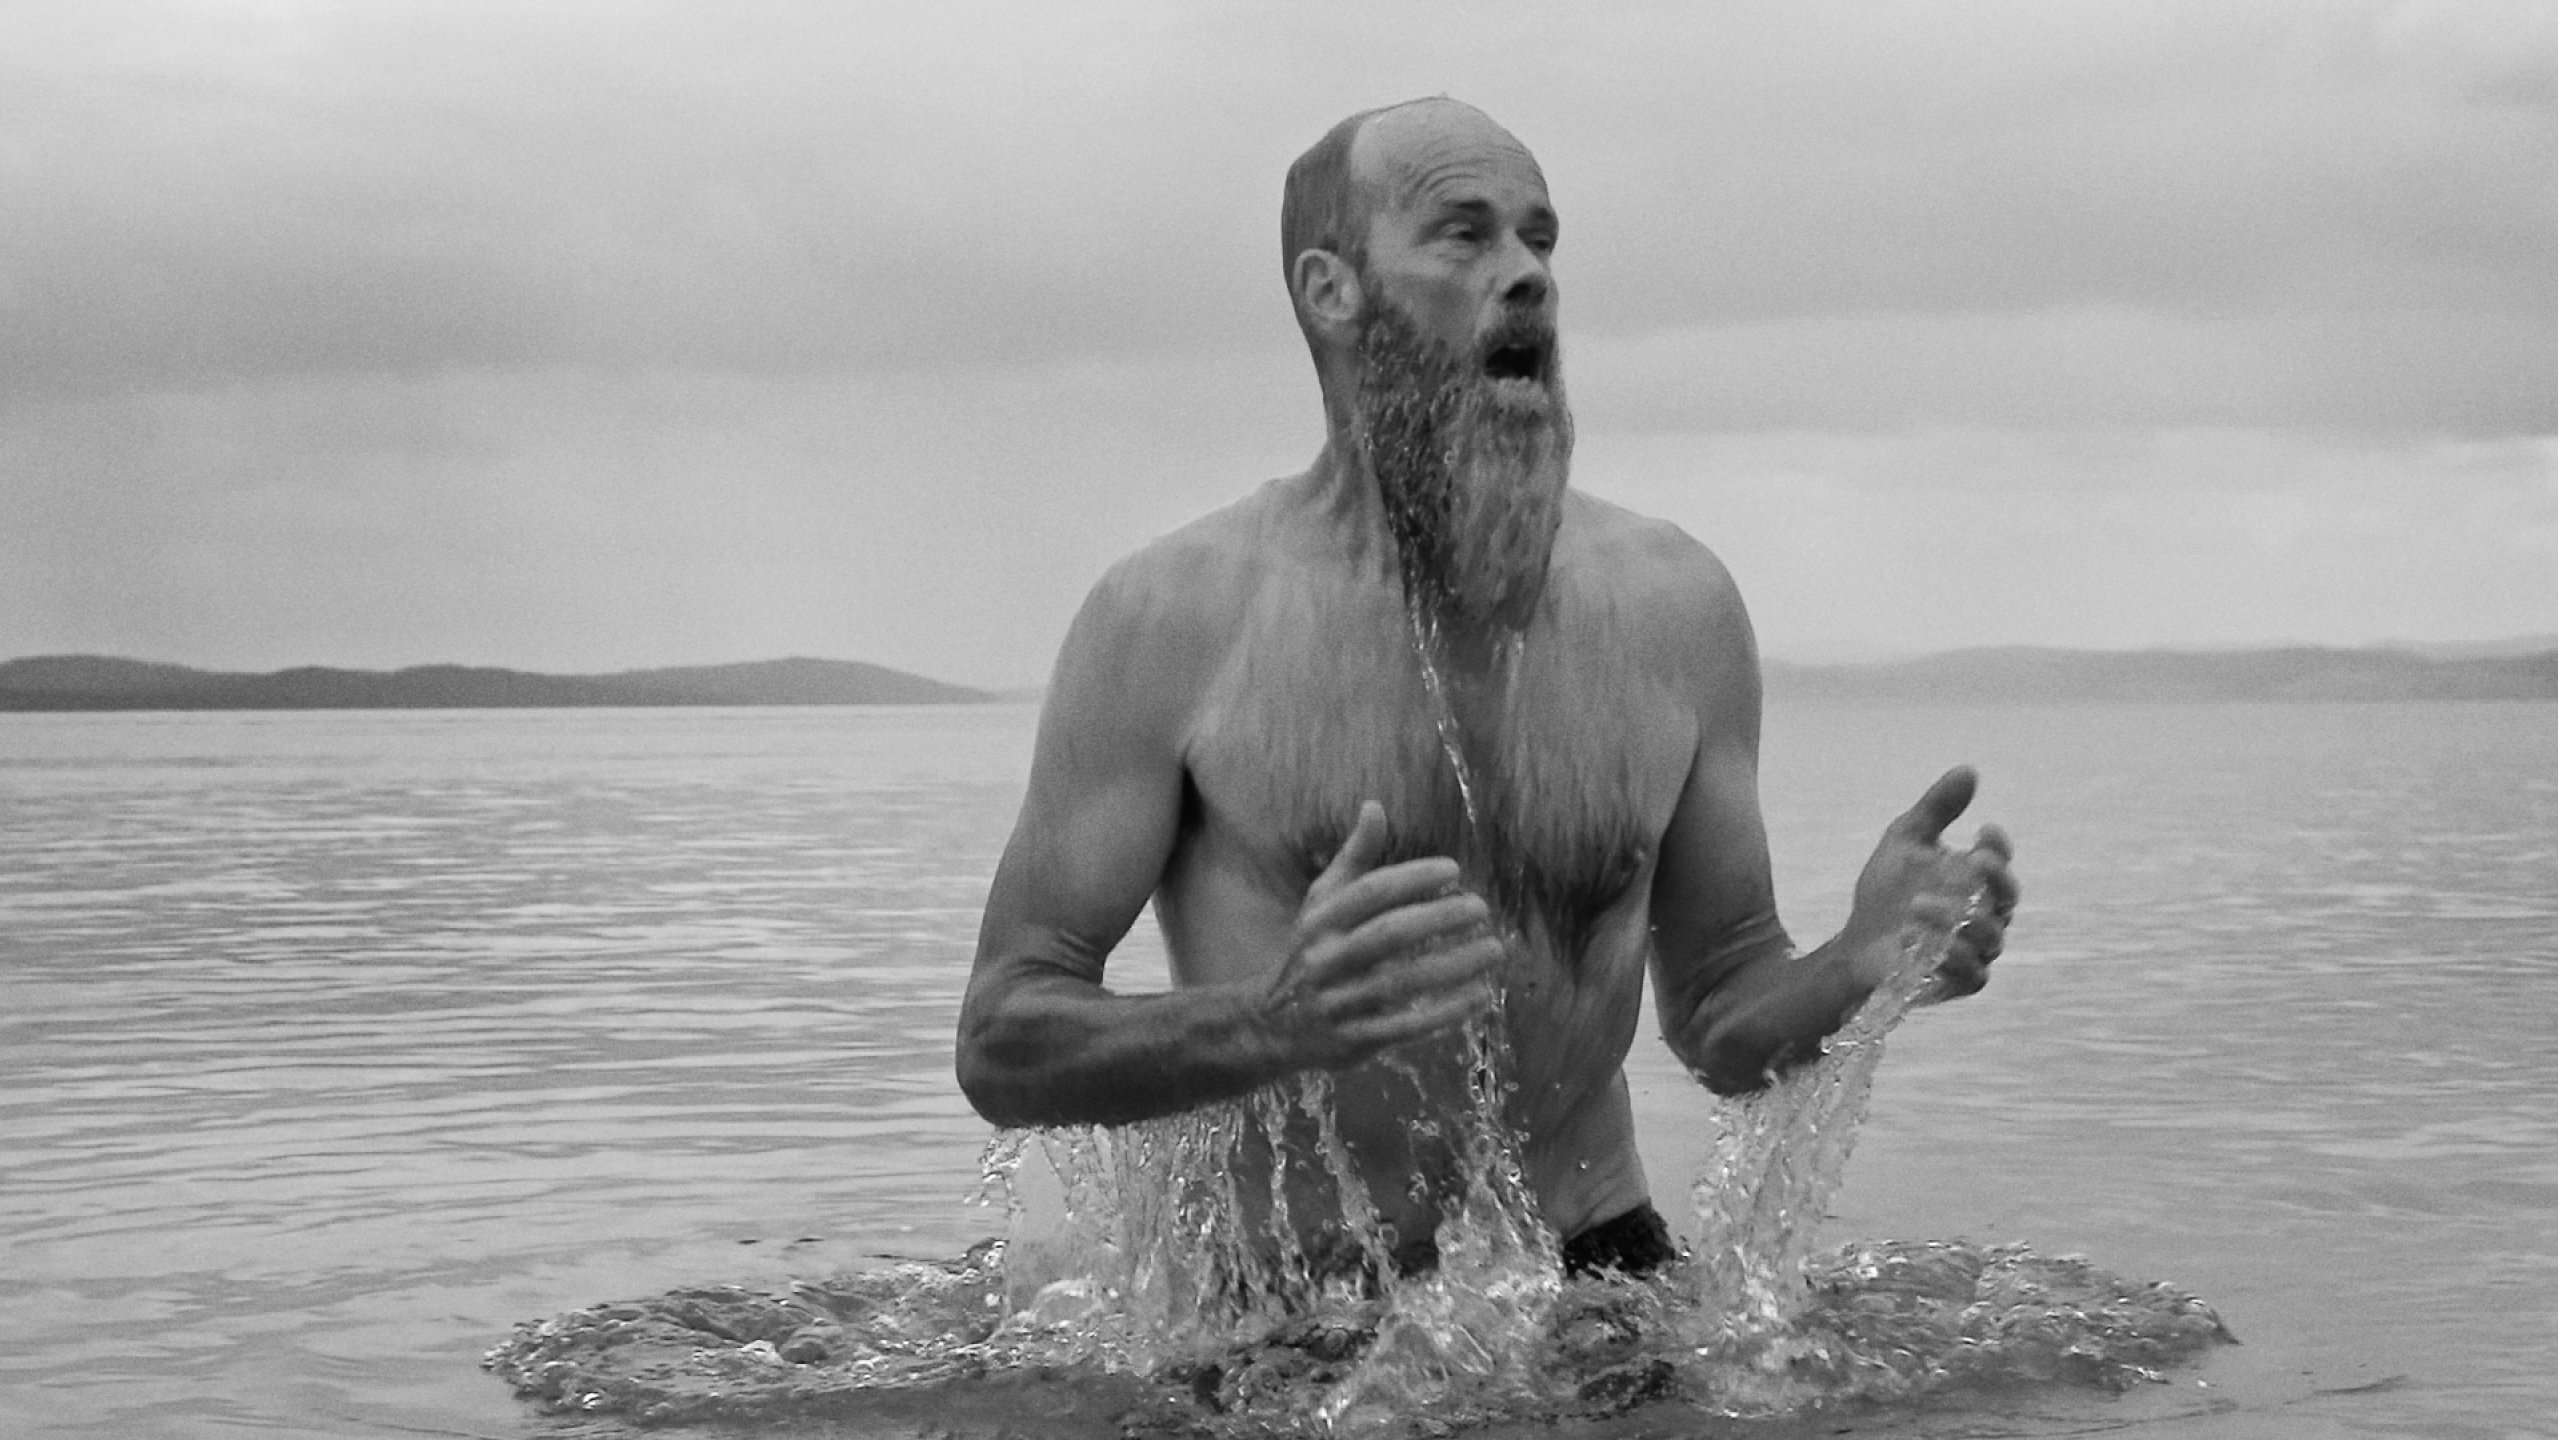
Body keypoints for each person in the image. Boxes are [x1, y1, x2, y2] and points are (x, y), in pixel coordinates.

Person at [955, 98, 2017, 1280]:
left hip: (1597, 1280)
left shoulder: (1675, 611)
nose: (1525, 276)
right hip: (1280, 1319)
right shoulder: (1172, 622)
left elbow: (1721, 1016)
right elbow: (1005, 1038)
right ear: (1331, 290)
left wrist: (1863, 964)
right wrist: (1272, 1023)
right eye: (1464, 236)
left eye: (1539, 240)